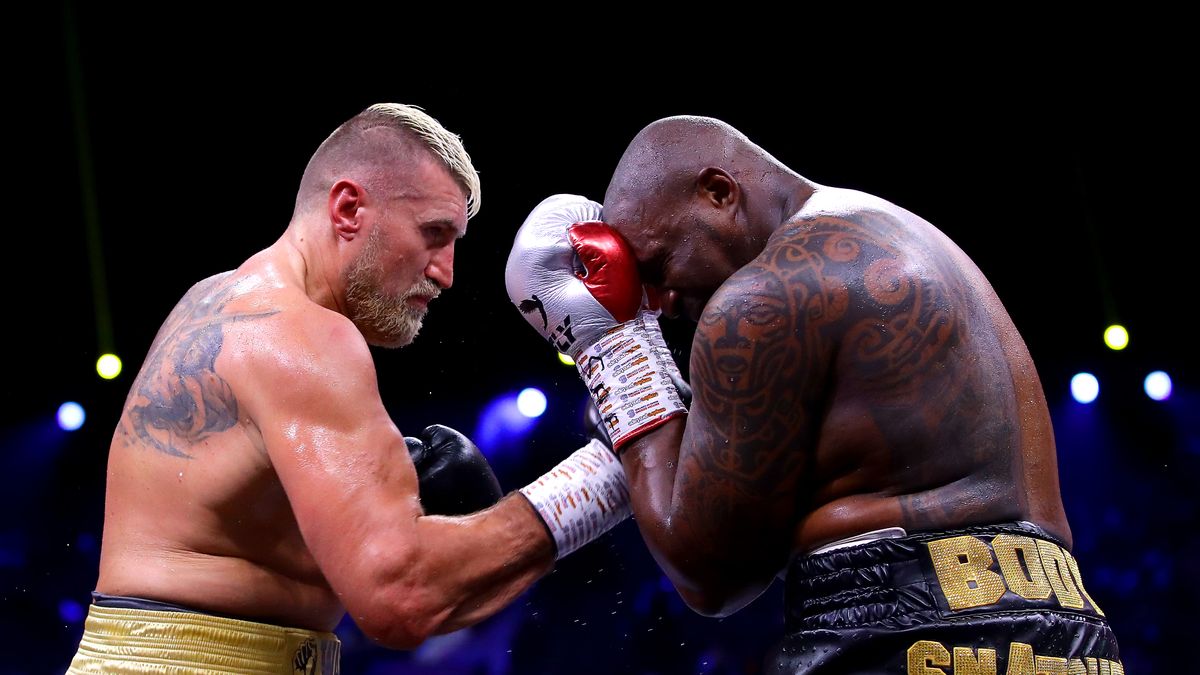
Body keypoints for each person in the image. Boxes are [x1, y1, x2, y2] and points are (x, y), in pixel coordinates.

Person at [506, 116, 1123, 673]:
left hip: (908, 634)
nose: (659, 304)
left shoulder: (765, 298)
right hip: (1073, 636)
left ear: (719, 193)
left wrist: (615, 347)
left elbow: (707, 573)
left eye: (660, 266)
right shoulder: (910, 236)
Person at [68, 103, 632, 674]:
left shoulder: (216, 299)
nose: (446, 272)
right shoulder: (302, 336)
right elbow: (400, 596)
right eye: (433, 233)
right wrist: (604, 478)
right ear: (347, 209)